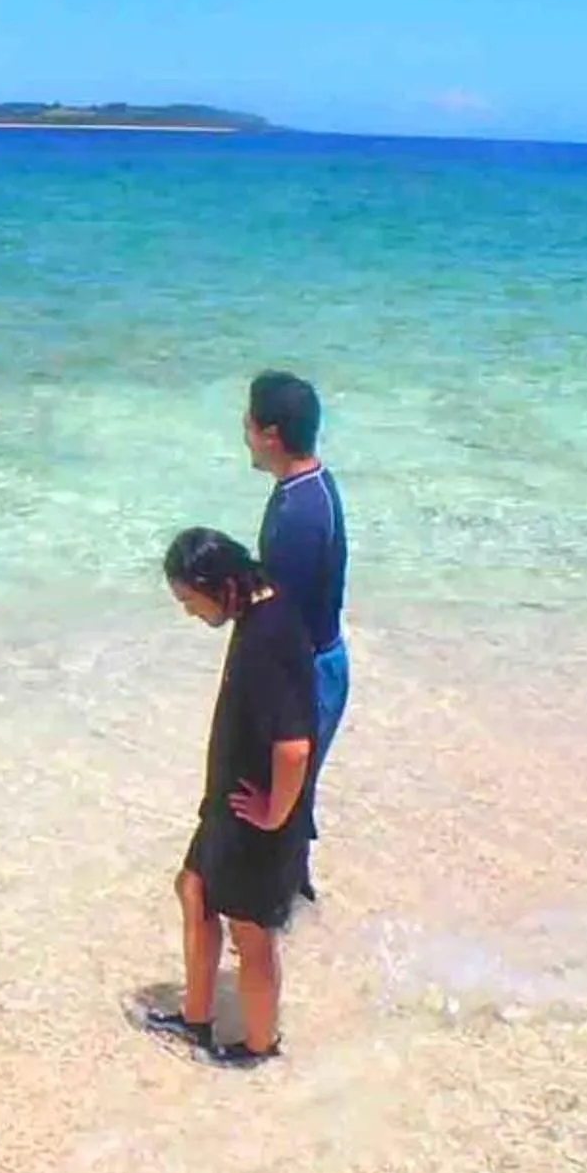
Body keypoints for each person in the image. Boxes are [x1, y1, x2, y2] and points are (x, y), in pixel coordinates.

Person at [141, 528, 317, 1067]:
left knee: (250, 931)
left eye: (189, 601)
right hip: (230, 804)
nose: (190, 614)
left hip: (254, 814)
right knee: (193, 888)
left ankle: (259, 1047)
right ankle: (197, 1019)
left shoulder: (267, 640)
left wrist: (273, 816)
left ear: (213, 584)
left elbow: (293, 749)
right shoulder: (261, 610)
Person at [246, 369, 349, 892]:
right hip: (321, 660)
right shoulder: (309, 486)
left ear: (270, 434)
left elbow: (281, 622)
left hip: (308, 669)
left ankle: (272, 915)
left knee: (277, 795)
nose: (242, 429)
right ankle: (292, 904)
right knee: (293, 793)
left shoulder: (298, 515)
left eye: (248, 420)